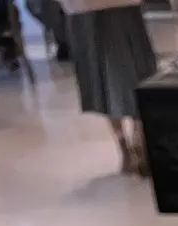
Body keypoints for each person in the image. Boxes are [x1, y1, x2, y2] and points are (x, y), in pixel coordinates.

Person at [58, 0, 156, 174]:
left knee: (104, 79)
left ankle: (130, 143)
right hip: (105, 8)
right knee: (132, 73)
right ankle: (135, 141)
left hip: (87, 9)